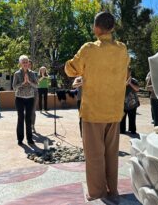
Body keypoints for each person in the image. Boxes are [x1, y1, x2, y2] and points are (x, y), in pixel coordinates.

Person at [65, 12, 130, 201]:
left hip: (93, 111)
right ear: (113, 28)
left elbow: (71, 69)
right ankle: (114, 191)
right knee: (111, 154)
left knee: (94, 156)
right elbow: (125, 73)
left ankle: (97, 192)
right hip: (114, 111)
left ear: (96, 28)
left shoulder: (89, 49)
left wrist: (72, 67)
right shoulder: (122, 49)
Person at [13, 55, 38, 145]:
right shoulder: (17, 74)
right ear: (20, 63)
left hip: (30, 98)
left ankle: (30, 139)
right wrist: (23, 82)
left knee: (28, 119)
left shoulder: (32, 73)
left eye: (26, 62)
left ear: (29, 63)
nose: (25, 64)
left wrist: (29, 82)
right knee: (20, 118)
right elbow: (14, 87)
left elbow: (36, 85)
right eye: (23, 62)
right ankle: (20, 139)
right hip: (19, 98)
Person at [120, 68, 140, 134]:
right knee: (122, 119)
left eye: (128, 72)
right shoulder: (120, 80)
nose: (127, 73)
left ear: (130, 72)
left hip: (133, 104)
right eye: (125, 72)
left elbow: (137, 89)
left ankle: (132, 130)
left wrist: (130, 83)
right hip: (123, 104)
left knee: (132, 118)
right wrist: (125, 84)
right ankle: (122, 130)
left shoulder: (134, 80)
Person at [28, 60, 38, 133]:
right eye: (26, 63)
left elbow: (36, 84)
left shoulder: (35, 74)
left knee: (33, 111)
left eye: (29, 64)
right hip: (24, 94)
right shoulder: (21, 73)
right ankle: (28, 126)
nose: (28, 65)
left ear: (31, 65)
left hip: (34, 94)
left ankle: (32, 126)